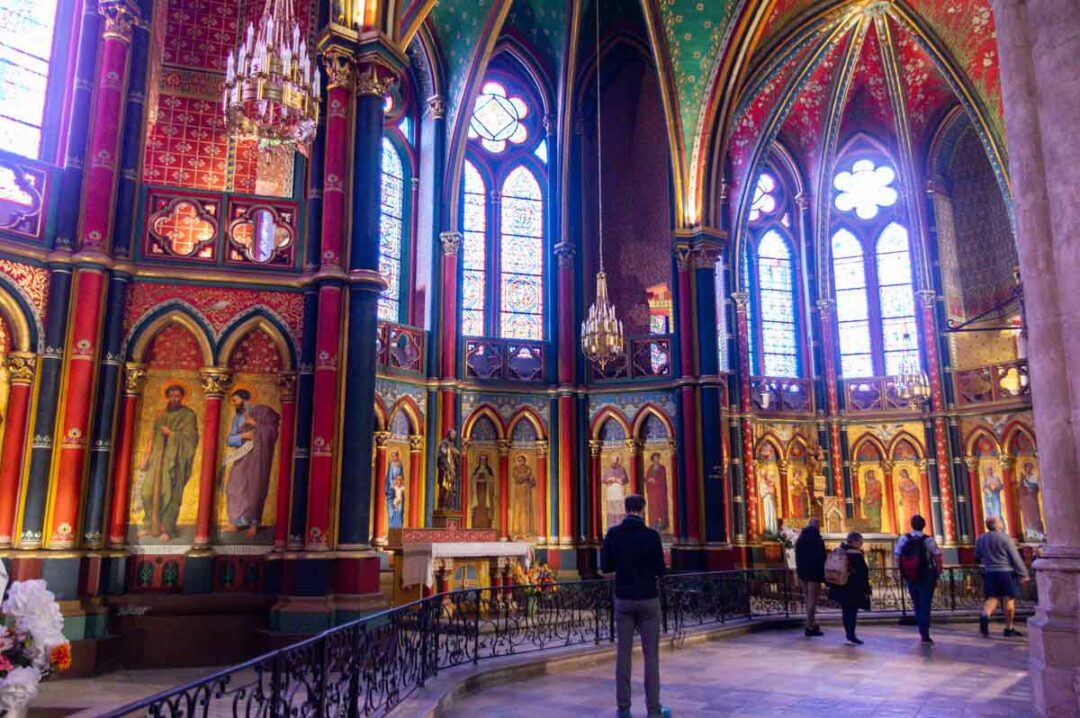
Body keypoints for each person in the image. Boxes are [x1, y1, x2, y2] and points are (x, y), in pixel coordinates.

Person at [600, 494, 669, 718]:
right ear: (642, 510)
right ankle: (653, 709)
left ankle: (623, 709)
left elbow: (606, 566)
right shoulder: (651, 535)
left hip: (624, 599)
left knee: (623, 655)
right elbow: (660, 569)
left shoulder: (613, 534)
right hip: (648, 599)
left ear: (626, 509)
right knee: (652, 657)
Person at [140, 385, 200, 542]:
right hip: (157, 459)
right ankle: (149, 525)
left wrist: (172, 434)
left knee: (170, 495)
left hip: (175, 462)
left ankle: (167, 529)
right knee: (147, 492)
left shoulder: (188, 415)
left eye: (177, 396)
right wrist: (146, 457)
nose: (174, 398)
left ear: (182, 397)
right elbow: (152, 436)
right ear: (167, 397)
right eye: (171, 395)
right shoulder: (160, 414)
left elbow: (192, 438)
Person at [222, 389, 280, 537]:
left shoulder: (262, 412)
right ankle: (234, 522)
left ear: (244, 399)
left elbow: (272, 431)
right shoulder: (237, 418)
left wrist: (255, 424)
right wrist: (243, 435)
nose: (233, 404)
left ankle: (254, 523)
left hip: (258, 457)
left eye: (235, 401)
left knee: (255, 487)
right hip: (242, 456)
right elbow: (229, 439)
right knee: (234, 487)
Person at [975, 516, 1030, 638]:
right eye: (1000, 521)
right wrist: (1023, 573)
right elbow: (1015, 557)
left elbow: (977, 555)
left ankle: (985, 615)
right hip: (1006, 572)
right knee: (1008, 599)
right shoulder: (1005, 538)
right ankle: (1009, 628)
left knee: (992, 598)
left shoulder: (981, 539)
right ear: (997, 524)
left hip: (990, 572)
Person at [894, 514, 944, 644]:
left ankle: (920, 622)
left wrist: (903, 572)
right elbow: (938, 557)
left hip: (911, 574)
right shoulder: (928, 540)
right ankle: (924, 632)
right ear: (924, 525)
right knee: (925, 603)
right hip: (926, 574)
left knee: (916, 602)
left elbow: (897, 556)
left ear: (911, 525)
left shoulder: (904, 538)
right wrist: (937, 573)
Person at [827, 531, 871, 645]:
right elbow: (863, 574)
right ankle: (851, 636)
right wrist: (867, 590)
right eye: (860, 541)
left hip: (841, 586)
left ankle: (848, 635)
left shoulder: (841, 551)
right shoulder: (856, 555)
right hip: (853, 588)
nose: (861, 543)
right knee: (852, 612)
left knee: (845, 612)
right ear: (854, 541)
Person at [795, 517, 827, 637]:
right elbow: (821, 558)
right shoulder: (817, 539)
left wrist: (799, 573)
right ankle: (809, 626)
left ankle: (812, 624)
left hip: (803, 573)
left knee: (807, 599)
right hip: (814, 574)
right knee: (812, 601)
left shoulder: (800, 540)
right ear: (817, 526)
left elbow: (797, 558)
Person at [511, 454, 536, 538]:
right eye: (519, 460)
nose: (520, 462)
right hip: (518, 492)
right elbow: (517, 478)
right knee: (518, 511)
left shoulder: (528, 469)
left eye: (521, 460)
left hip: (526, 492)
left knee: (526, 511)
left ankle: (526, 532)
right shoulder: (516, 469)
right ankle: (517, 532)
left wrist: (530, 479)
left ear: (525, 461)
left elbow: (531, 481)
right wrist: (525, 476)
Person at [602, 455, 629, 530]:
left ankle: (620, 524)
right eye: (613, 460)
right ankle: (611, 526)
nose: (615, 461)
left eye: (616, 460)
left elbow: (625, 479)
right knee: (611, 507)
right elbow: (604, 479)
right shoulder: (608, 470)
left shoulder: (621, 469)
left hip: (618, 490)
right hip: (611, 491)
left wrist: (617, 480)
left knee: (619, 508)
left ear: (618, 461)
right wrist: (609, 480)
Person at [385, 450, 405, 529]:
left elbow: (402, 476)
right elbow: (389, 477)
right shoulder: (391, 464)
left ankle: (398, 530)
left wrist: (400, 484)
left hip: (398, 490)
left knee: (399, 511)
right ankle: (391, 529)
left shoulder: (400, 464)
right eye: (392, 456)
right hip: (392, 490)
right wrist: (393, 486)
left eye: (395, 455)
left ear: (397, 455)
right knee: (391, 512)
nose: (393, 457)